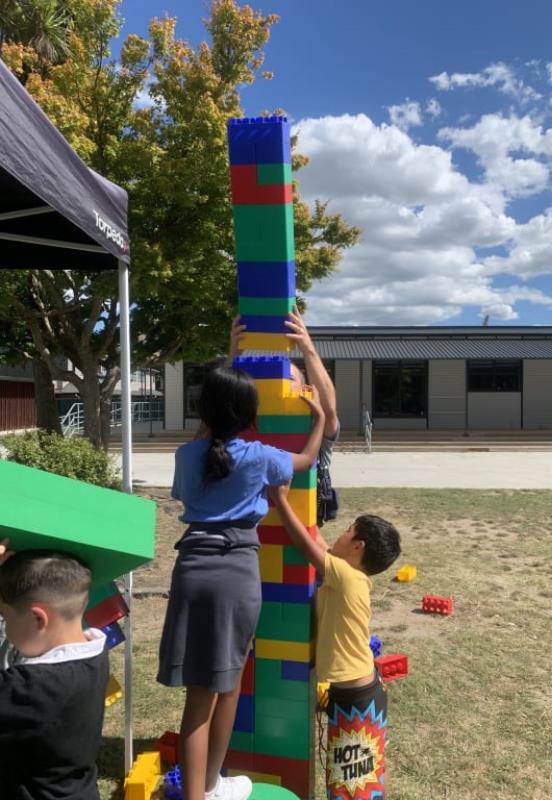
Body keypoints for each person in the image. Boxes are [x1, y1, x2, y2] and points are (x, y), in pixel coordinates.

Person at [157, 366, 325, 800]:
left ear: (204, 411)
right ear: (251, 413)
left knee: (201, 696)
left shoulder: (187, 455)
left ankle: (208, 788)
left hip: (192, 568)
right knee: (228, 683)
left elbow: (200, 451)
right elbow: (305, 462)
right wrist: (320, 419)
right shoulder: (261, 456)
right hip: (238, 574)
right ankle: (207, 786)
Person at [270, 486, 401, 800]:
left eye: (347, 531)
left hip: (356, 697)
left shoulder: (344, 575)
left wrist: (281, 501)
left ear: (358, 546)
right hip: (358, 689)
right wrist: (303, 503)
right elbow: (318, 541)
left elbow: (304, 543)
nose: (339, 535)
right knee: (353, 780)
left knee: (350, 784)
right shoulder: (350, 574)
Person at [0, 541, 108, 800]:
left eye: (5, 618)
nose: (7, 631)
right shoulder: (94, 655)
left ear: (38, 618)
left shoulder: (32, 690)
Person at [229, 306, 340, 525]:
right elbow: (221, 399)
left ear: (305, 388)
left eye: (288, 381)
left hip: (299, 528)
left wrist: (306, 347)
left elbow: (328, 411)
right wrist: (235, 352)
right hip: (247, 529)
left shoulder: (313, 421)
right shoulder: (244, 420)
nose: (276, 388)